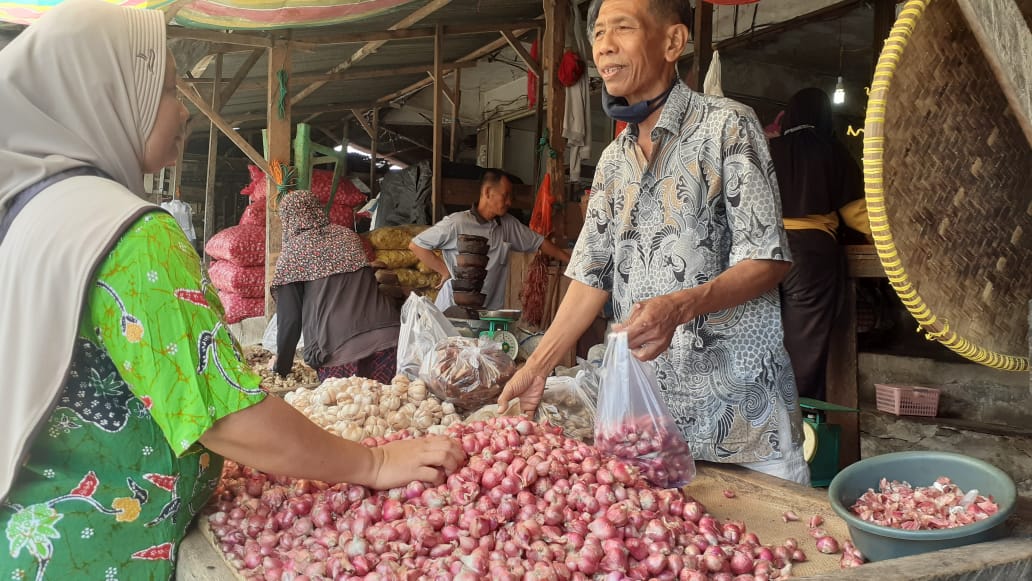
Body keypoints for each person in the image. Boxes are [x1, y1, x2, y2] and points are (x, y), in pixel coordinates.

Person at [0, 2, 464, 578]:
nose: (184, 111)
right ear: (103, 94)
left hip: (37, 534)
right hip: (107, 547)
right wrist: (373, 462)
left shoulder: (31, 213)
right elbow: (223, 416)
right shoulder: (130, 232)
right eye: (168, 90)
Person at [499, 0, 809, 485]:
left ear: (672, 43)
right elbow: (589, 275)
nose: (603, 45)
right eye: (599, 32)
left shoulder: (727, 126)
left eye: (622, 28)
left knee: (779, 557)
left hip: (741, 425)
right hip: (645, 432)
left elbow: (766, 258)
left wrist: (679, 307)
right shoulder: (611, 161)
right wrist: (537, 366)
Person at [769, 87, 873, 401]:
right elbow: (857, 213)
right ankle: (800, 424)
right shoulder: (832, 150)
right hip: (812, 257)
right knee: (804, 346)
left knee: (760, 336)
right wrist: (886, 238)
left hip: (762, 251)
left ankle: (758, 418)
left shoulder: (767, 150)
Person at [272, 189, 401, 383]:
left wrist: (281, 367)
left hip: (339, 353)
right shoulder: (348, 236)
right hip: (388, 343)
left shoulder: (293, 253)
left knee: (342, 412)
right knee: (385, 409)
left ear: (288, 219)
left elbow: (290, 320)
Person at [408, 168, 571, 311]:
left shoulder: (507, 225)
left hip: (487, 314)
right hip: (453, 311)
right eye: (505, 195)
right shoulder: (457, 223)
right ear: (487, 192)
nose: (509, 202)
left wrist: (571, 262)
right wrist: (445, 271)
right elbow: (417, 245)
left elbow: (540, 242)